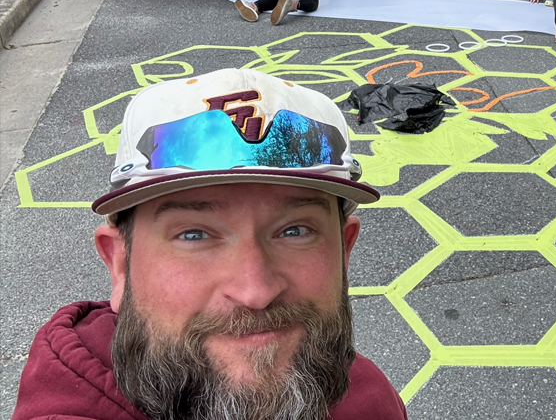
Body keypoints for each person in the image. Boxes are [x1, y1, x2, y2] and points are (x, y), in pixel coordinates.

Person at [12, 67, 408, 420]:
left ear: (344, 251)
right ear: (119, 264)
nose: (255, 291)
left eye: (295, 231)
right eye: (194, 234)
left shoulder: (367, 393)